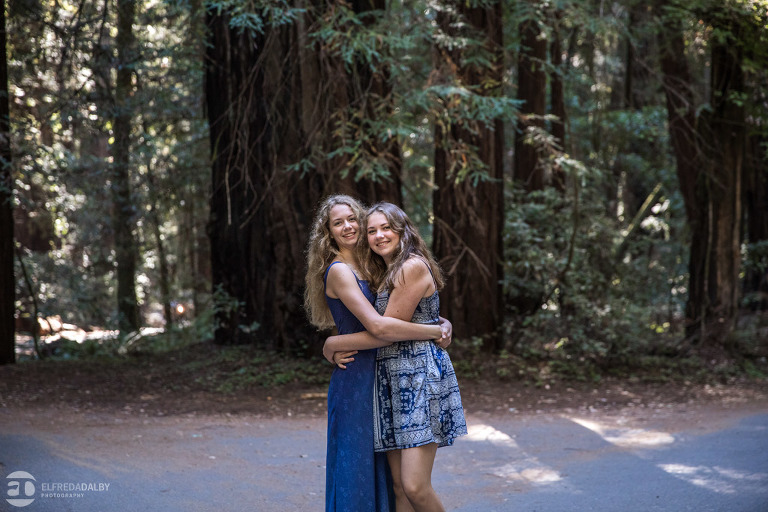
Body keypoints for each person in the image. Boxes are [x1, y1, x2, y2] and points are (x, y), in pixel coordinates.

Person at [304, 195, 452, 512]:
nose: (348, 227)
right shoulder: (340, 271)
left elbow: (405, 312)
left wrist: (439, 322)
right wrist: (331, 344)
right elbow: (379, 326)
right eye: (338, 223)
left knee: (398, 482)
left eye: (352, 220)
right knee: (357, 470)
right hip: (359, 377)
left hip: (389, 375)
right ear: (328, 232)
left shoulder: (376, 265)